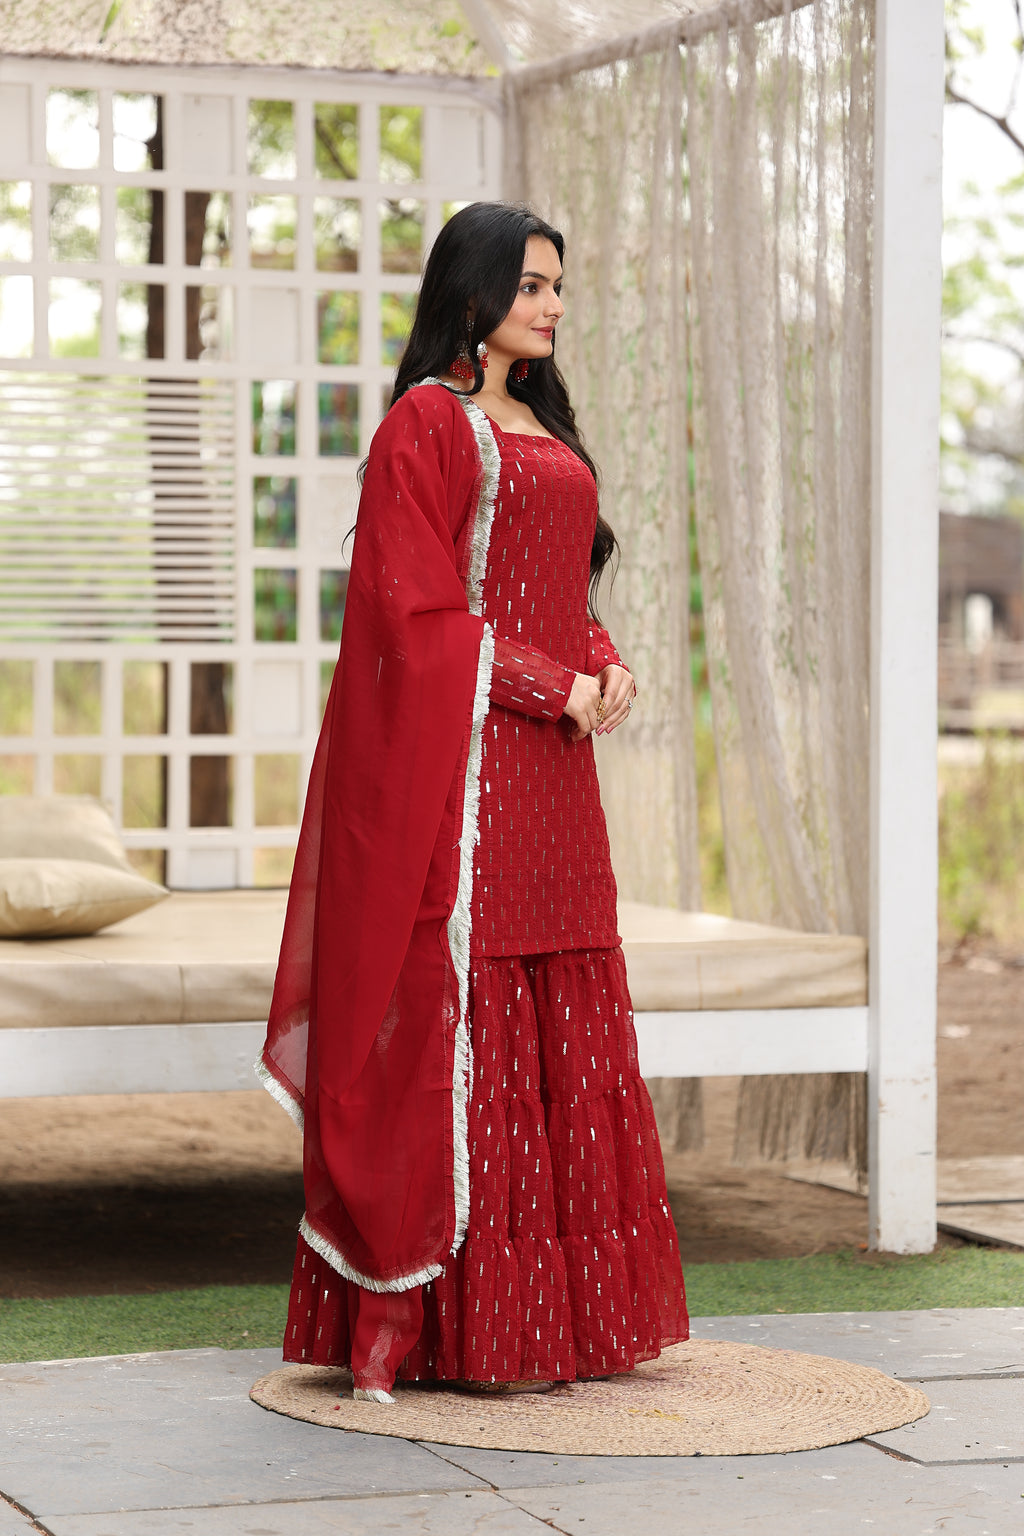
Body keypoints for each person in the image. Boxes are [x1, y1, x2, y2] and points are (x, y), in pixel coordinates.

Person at [258, 201, 688, 1402]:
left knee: (567, 1006)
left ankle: (555, 1328)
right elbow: (419, 611)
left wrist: (601, 663)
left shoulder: (538, 428)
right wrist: (555, 685)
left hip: (557, 775)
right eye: (536, 285)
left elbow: (554, 584)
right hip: (478, 781)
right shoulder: (425, 427)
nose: (554, 305)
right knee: (476, 1023)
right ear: (475, 292)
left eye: (560, 287)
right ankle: (438, 1325)